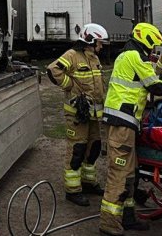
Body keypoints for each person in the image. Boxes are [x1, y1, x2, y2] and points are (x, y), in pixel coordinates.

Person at [100, 22, 162, 235]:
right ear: (146, 41)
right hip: (123, 123)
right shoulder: (135, 57)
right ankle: (108, 222)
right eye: (153, 46)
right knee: (119, 172)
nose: (153, 51)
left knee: (130, 172)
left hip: (126, 122)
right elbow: (155, 85)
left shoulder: (126, 54)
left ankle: (127, 216)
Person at [46, 23, 109, 207]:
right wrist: (70, 86)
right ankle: (72, 190)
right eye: (99, 42)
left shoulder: (94, 58)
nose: (102, 45)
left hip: (92, 116)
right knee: (77, 150)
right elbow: (52, 70)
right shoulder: (72, 56)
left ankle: (88, 183)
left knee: (94, 148)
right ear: (90, 40)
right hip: (77, 116)